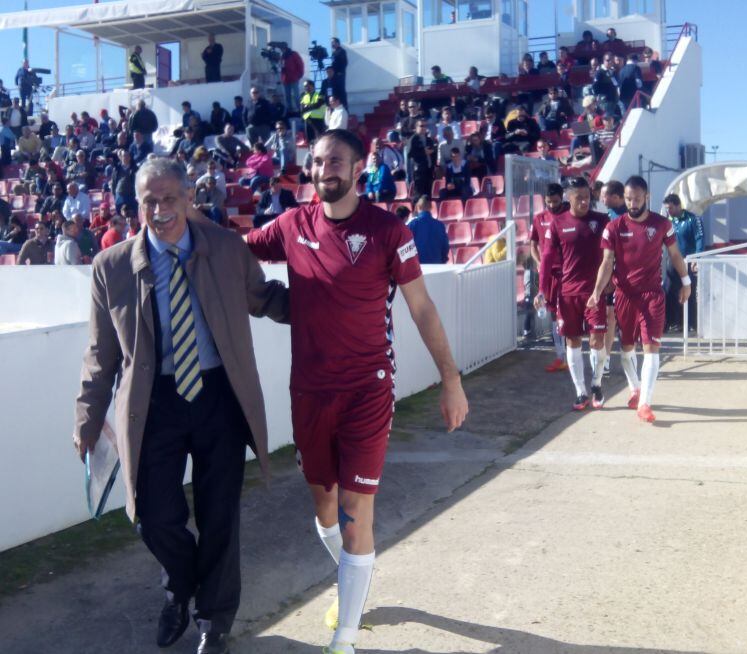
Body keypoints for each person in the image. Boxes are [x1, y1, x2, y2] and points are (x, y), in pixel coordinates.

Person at [245, 129, 467, 654]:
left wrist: (451, 380)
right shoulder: (291, 224)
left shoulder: (388, 231)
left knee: (355, 507)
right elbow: (235, 253)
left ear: (360, 167)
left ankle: (345, 638)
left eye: (335, 161)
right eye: (317, 162)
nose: (324, 170)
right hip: (309, 391)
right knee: (324, 505)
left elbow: (421, 307)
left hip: (368, 389)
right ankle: (354, 576)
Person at [72, 157, 289, 654]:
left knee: (219, 515)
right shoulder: (111, 268)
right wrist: (87, 417)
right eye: (149, 200)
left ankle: (215, 620)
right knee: (153, 515)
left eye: (170, 197)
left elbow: (264, 297)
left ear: (189, 197)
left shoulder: (226, 247)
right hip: (153, 404)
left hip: (219, 397)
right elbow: (99, 353)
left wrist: (327, 304)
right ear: (136, 206)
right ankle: (181, 587)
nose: (160, 209)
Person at [589, 176, 690, 423]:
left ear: (647, 197)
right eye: (628, 199)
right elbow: (606, 262)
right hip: (624, 294)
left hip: (652, 294)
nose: (632, 203)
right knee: (626, 350)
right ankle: (635, 388)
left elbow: (675, 255)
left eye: (636, 198)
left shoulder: (663, 224)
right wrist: (596, 291)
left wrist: (686, 282)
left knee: (651, 348)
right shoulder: (614, 227)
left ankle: (644, 403)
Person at [536, 177, 610, 411]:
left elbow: (612, 255)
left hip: (594, 293)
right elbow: (546, 258)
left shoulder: (601, 221)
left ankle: (596, 384)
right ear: (569, 198)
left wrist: (612, 280)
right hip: (567, 294)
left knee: (597, 340)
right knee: (573, 340)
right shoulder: (557, 224)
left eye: (587, 197)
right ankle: (580, 392)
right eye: (579, 197)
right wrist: (541, 288)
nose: (585, 201)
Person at [530, 183, 570, 372]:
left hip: (569, 272)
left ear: (562, 198)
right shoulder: (539, 218)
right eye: (549, 202)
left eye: (555, 201)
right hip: (548, 274)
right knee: (554, 313)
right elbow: (533, 244)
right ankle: (560, 356)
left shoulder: (569, 216)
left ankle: (571, 355)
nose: (552, 205)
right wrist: (539, 263)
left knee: (569, 313)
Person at [663, 193, 703, 331]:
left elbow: (699, 239)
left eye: (671, 208)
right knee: (668, 291)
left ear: (679, 205)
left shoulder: (693, 219)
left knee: (688, 293)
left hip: (688, 261)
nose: (669, 211)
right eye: (667, 208)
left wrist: (696, 259)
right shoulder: (668, 221)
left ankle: (692, 323)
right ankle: (673, 322)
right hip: (673, 262)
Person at [599, 180, 627, 373]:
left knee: (626, 320)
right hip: (610, 275)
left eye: (605, 195)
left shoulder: (632, 216)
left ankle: (630, 359)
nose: (601, 198)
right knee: (609, 317)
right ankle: (606, 359)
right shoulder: (604, 218)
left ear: (616, 196)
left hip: (629, 277)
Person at [408, 194, 450, 264]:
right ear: (431, 207)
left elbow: (406, 247)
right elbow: (445, 246)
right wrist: (443, 260)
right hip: (436, 265)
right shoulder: (440, 225)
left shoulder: (412, 225)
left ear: (418, 207)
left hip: (418, 266)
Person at [406, 119, 436, 201]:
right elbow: (409, 153)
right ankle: (416, 211)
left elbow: (433, 152)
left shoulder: (429, 139)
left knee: (428, 194)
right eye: (421, 126)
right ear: (416, 127)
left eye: (425, 126)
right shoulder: (413, 139)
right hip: (419, 170)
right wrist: (423, 152)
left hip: (429, 169)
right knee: (419, 194)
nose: (423, 128)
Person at [280, 43, 305, 114]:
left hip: (294, 78)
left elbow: (300, 64)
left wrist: (299, 75)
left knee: (296, 96)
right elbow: (282, 68)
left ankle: (299, 109)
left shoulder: (293, 54)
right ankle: (289, 110)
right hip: (286, 79)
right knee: (287, 97)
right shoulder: (282, 56)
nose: (281, 49)